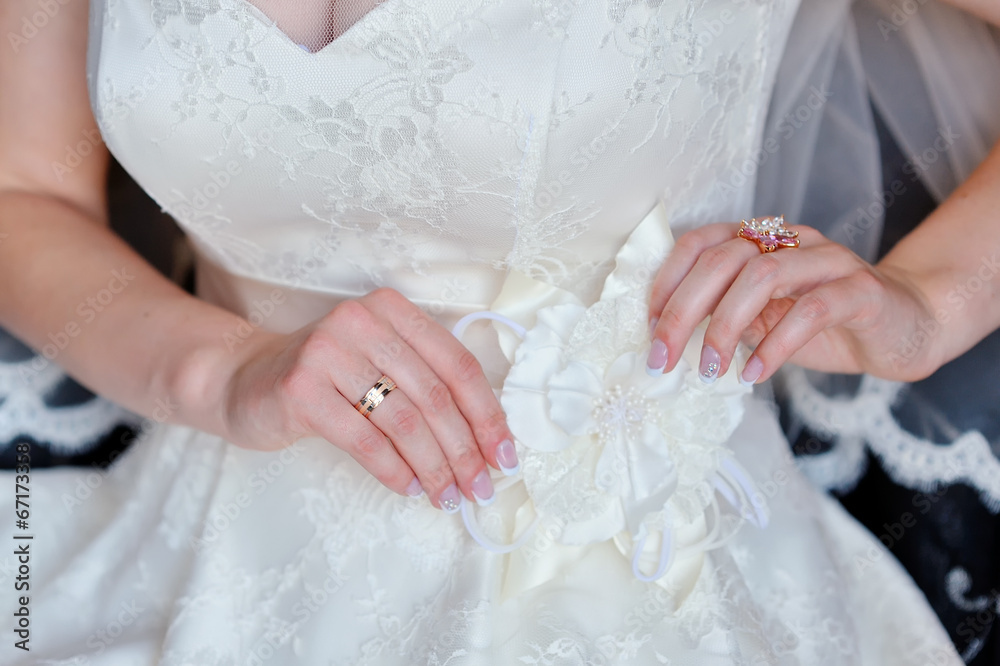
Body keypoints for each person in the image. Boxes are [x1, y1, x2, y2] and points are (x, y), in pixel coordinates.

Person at [0, 0, 993, 663]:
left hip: (654, 582)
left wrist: (931, 300)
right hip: (200, 559)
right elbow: (26, 187)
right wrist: (226, 371)